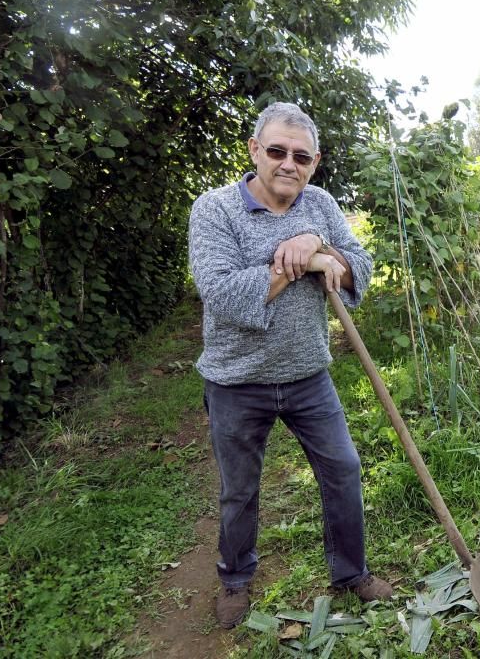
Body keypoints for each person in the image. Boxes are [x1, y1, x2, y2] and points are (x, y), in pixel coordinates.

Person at [188, 102, 393, 629]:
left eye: (300, 156)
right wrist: (298, 258)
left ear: (314, 161)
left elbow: (360, 269)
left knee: (344, 470)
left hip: (308, 375)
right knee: (240, 489)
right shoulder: (214, 210)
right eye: (276, 151)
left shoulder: (320, 204)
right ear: (255, 150)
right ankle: (235, 578)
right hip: (236, 380)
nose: (288, 164)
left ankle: (351, 573)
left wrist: (321, 244)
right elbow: (225, 294)